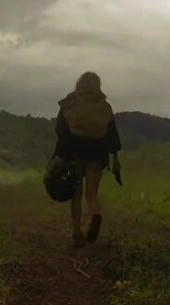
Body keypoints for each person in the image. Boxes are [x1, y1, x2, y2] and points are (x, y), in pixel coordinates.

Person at [52, 72, 122, 248]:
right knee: (92, 195)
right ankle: (95, 214)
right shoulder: (104, 106)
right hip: (97, 153)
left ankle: (77, 232)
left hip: (73, 152)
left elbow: (59, 128)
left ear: (79, 84)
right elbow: (112, 135)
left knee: (76, 194)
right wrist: (115, 160)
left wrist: (60, 153)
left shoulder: (70, 102)